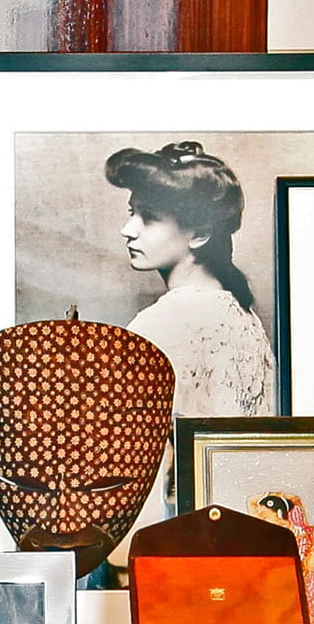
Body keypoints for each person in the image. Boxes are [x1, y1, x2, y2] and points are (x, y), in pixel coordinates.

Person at [105, 141, 274, 418]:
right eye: (132, 213)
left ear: (199, 234)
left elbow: (147, 456)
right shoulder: (243, 315)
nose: (128, 230)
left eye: (148, 217)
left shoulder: (163, 322)